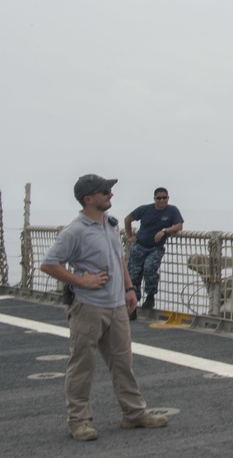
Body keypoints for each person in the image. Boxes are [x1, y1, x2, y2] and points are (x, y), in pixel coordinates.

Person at [40, 174, 169, 442]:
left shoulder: (109, 225)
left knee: (123, 363)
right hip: (88, 308)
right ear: (89, 198)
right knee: (82, 366)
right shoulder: (75, 230)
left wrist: (130, 288)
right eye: (105, 191)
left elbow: (120, 257)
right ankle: (79, 422)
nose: (110, 194)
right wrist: (81, 281)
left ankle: (133, 414)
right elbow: (49, 263)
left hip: (116, 306)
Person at [123, 187, 184, 319]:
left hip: (155, 248)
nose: (162, 200)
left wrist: (165, 231)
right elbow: (128, 219)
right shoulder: (145, 209)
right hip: (139, 246)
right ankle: (132, 306)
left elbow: (179, 225)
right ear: (154, 199)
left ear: (168, 198)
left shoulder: (172, 210)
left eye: (164, 198)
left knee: (150, 268)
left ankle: (150, 296)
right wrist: (129, 236)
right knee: (134, 276)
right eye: (159, 198)